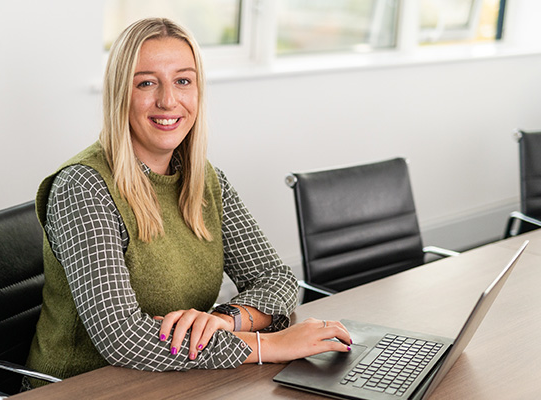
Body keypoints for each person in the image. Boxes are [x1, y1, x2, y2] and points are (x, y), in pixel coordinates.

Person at [23, 17, 351, 390]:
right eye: (146, 83)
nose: (168, 100)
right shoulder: (84, 186)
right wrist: (268, 344)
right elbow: (122, 338)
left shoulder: (204, 179)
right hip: (83, 387)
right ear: (120, 94)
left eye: (183, 81)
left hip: (175, 380)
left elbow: (277, 280)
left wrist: (226, 320)